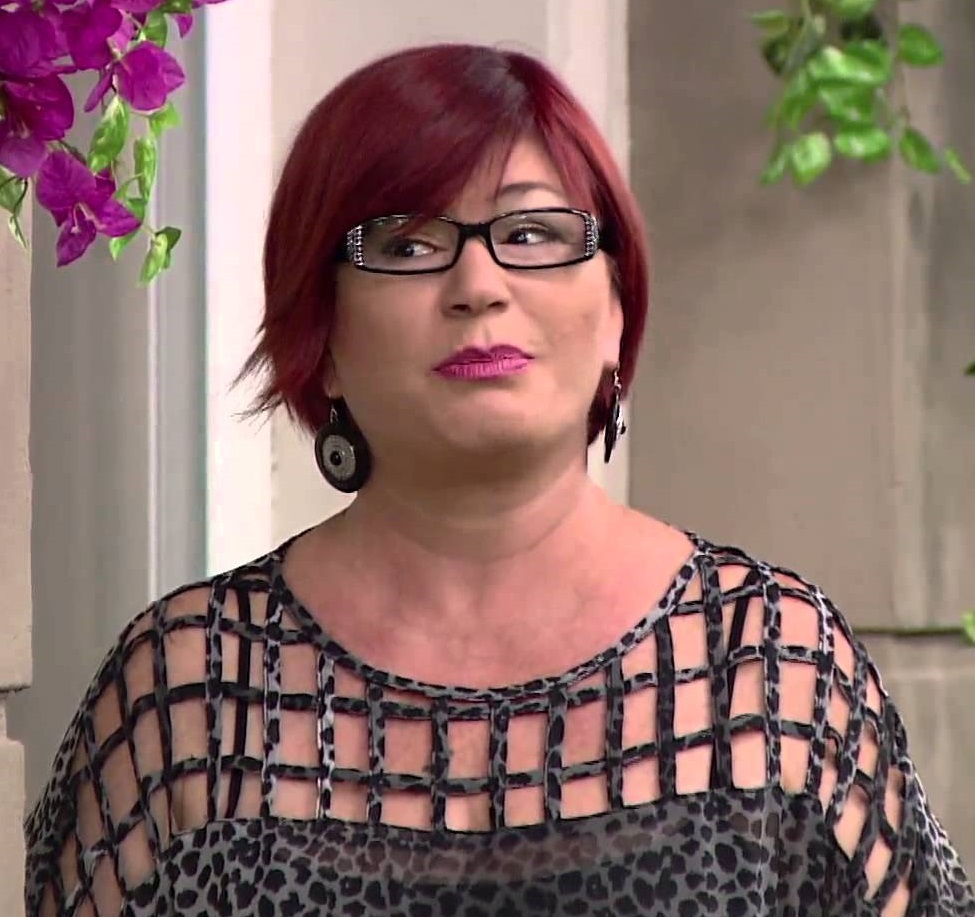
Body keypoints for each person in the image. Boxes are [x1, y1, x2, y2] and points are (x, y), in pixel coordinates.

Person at [23, 42, 974, 917]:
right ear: (324, 334)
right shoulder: (190, 689)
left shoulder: (768, 662)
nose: (478, 285)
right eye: (406, 243)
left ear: (615, 312)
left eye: (531, 233)